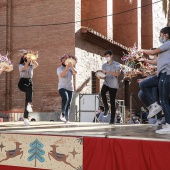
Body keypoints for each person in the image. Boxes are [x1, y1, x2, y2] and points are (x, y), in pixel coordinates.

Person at [140, 26, 170, 134]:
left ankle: (168, 125)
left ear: (166, 35)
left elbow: (153, 52)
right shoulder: (166, 47)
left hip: (166, 75)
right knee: (143, 84)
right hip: (161, 76)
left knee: (164, 100)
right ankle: (154, 105)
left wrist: (142, 50)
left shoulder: (168, 43)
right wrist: (144, 60)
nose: (160, 37)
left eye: (161, 34)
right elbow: (157, 61)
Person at [96, 50, 121, 124]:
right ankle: (106, 108)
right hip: (106, 83)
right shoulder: (104, 65)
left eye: (107, 56)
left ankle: (112, 120)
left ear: (111, 56)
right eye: (105, 57)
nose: (106, 58)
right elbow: (104, 76)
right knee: (102, 92)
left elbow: (117, 74)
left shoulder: (116, 64)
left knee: (112, 102)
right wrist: (100, 77)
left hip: (113, 85)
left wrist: (108, 72)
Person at [18, 51, 39, 126]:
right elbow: (24, 68)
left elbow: (37, 65)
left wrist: (33, 59)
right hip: (22, 82)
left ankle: (26, 118)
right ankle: (29, 104)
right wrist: (27, 62)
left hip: (30, 81)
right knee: (29, 90)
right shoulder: (21, 65)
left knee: (27, 100)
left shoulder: (31, 65)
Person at [57, 54, 77, 123]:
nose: (65, 61)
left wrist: (71, 67)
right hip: (62, 87)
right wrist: (67, 68)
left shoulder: (70, 68)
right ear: (62, 61)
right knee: (65, 98)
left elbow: (75, 72)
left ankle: (66, 119)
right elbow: (62, 75)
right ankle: (62, 114)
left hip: (70, 88)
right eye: (64, 60)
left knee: (68, 104)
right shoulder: (59, 69)